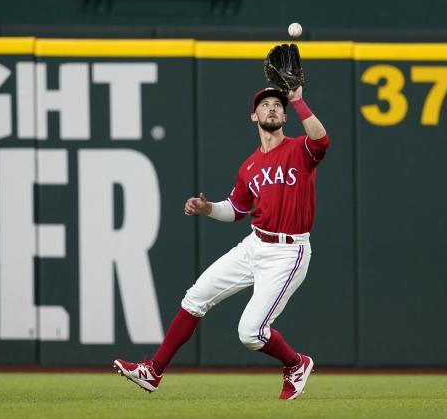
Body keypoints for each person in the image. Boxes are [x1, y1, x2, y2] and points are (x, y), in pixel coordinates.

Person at [113, 85, 330, 400]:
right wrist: (208, 208)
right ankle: (153, 371)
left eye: (277, 105)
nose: (271, 108)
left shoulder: (301, 150)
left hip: (288, 251)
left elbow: (322, 139)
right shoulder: (250, 166)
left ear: (284, 115)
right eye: (265, 104)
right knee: (195, 297)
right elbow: (236, 210)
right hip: (255, 244)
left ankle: (296, 364)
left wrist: (297, 100)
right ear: (253, 115)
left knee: (250, 333)